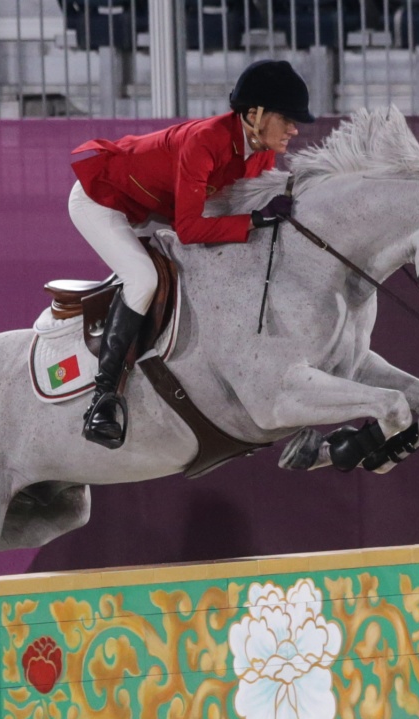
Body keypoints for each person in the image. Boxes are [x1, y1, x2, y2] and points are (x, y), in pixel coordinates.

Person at [67, 59, 316, 450]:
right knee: (144, 278)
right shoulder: (205, 140)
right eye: (286, 118)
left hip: (153, 210)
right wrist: (254, 219)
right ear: (255, 114)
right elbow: (190, 229)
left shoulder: (261, 152)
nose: (294, 129)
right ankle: (103, 400)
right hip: (105, 201)